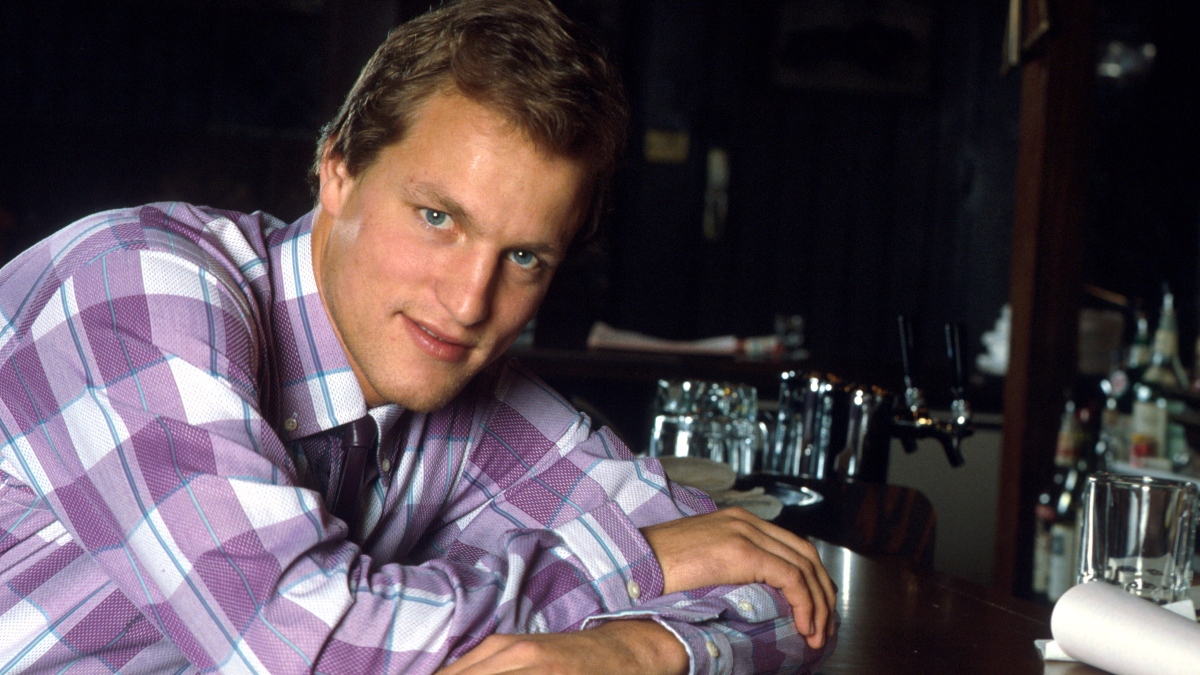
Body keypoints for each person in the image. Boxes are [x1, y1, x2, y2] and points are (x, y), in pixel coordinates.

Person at [0, 1, 836, 673]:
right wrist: (637, 561)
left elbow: (780, 591)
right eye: (438, 217)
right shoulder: (133, 291)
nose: (469, 302)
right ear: (338, 170)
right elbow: (319, 645)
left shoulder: (465, 396)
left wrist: (637, 651)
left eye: (524, 256)